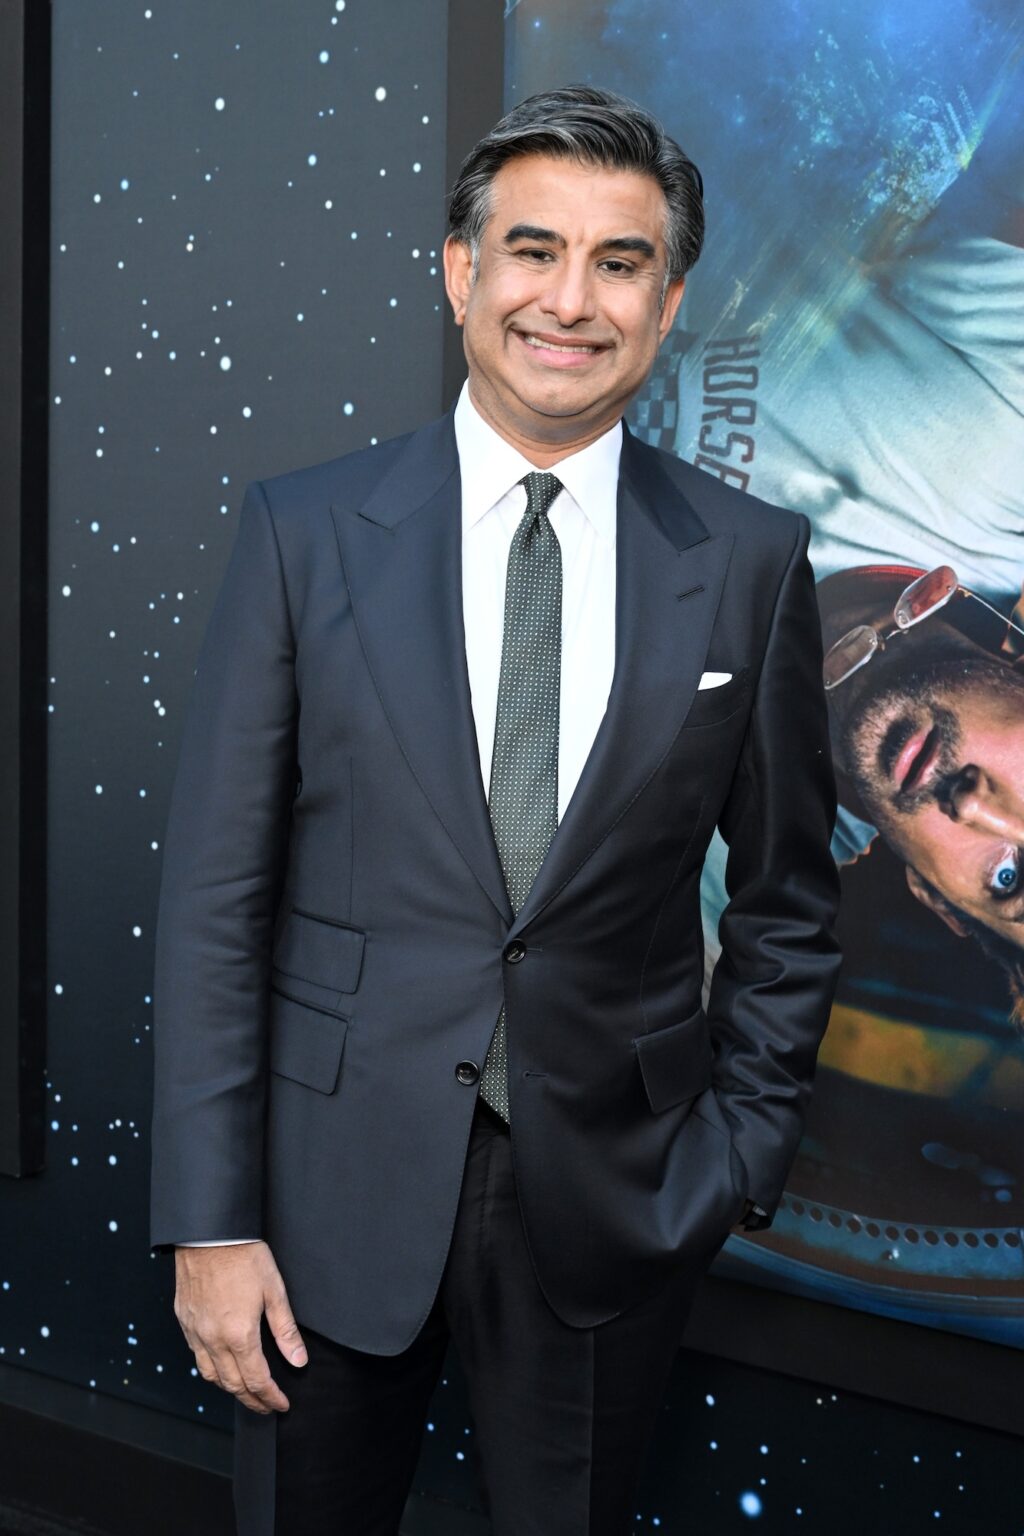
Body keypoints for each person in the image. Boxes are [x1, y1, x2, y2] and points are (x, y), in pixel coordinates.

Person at [149, 86, 842, 1536]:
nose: (569, 302)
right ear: (463, 272)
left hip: (616, 1202)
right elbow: (217, 902)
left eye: (620, 261)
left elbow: (786, 899)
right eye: (533, 251)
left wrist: (737, 1156)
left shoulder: (754, 562)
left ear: (669, 301)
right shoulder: (306, 533)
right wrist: (211, 1221)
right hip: (319, 1200)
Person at [815, 561, 1024, 1014]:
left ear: (936, 898)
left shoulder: (704, 888)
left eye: (1008, 879)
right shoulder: (997, 506)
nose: (971, 805)